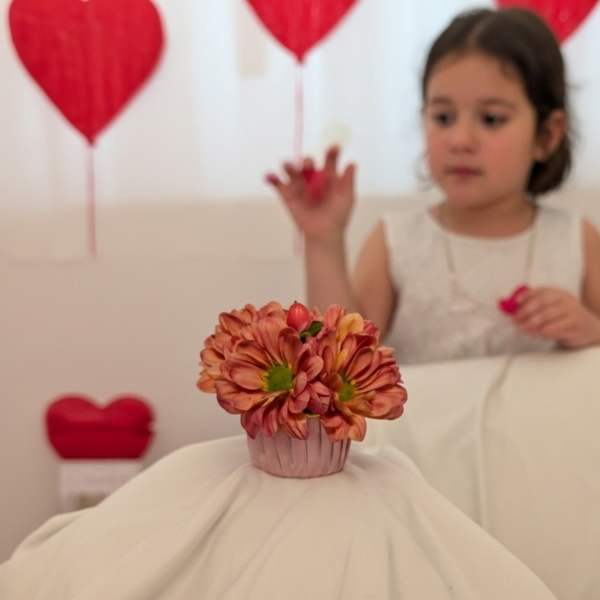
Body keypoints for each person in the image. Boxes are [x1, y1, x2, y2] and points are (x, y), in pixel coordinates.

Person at [267, 7, 600, 364]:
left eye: (491, 119)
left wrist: (592, 330)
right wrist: (323, 241)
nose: (460, 139)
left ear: (547, 135)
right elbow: (337, 363)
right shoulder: (396, 243)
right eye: (443, 117)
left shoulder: (575, 240)